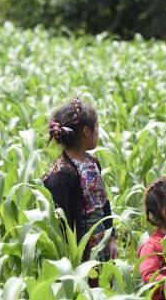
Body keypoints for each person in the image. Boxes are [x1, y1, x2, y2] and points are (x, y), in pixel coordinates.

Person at [42, 98, 117, 262]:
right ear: (86, 131)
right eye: (97, 126)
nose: (99, 131)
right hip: (82, 249)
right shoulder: (61, 174)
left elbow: (104, 203)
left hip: (102, 240)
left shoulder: (92, 161)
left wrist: (111, 237)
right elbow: (64, 224)